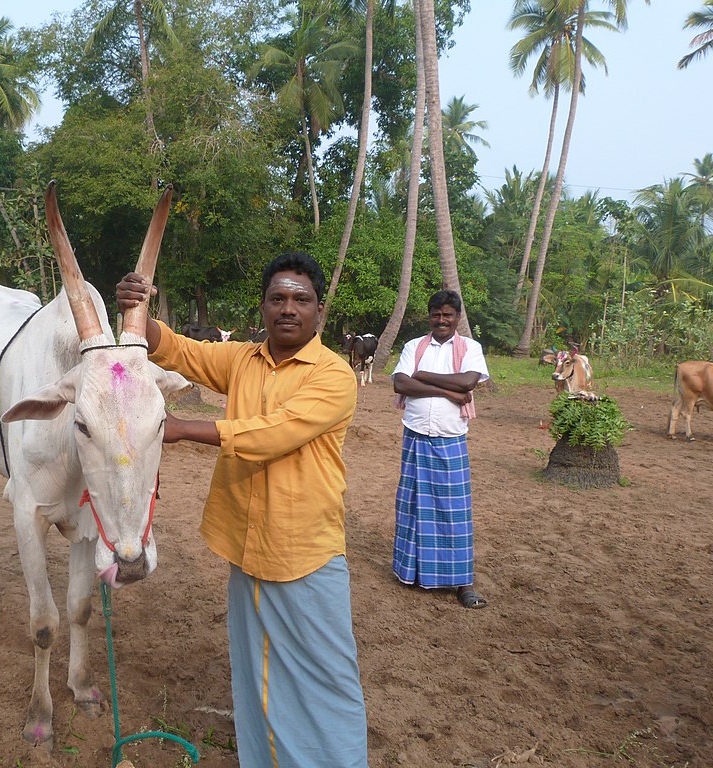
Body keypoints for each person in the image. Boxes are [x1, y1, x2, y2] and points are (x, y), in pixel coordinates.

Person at [116, 252, 368, 768]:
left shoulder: (334, 376)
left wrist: (185, 428)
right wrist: (139, 309)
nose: (289, 308)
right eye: (278, 298)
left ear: (320, 311)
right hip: (246, 546)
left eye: (301, 299)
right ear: (263, 307)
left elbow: (276, 433)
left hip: (305, 552)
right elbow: (180, 352)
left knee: (326, 678)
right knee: (258, 674)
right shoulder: (243, 360)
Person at [391, 289, 490, 609]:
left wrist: (424, 376)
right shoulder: (414, 346)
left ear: (458, 318)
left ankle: (463, 583)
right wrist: (446, 392)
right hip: (415, 436)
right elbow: (401, 384)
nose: (442, 319)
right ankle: (414, 573)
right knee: (414, 507)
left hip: (450, 438)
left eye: (448, 314)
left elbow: (468, 382)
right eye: (436, 314)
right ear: (429, 316)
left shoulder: (470, 348)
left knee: (454, 513)